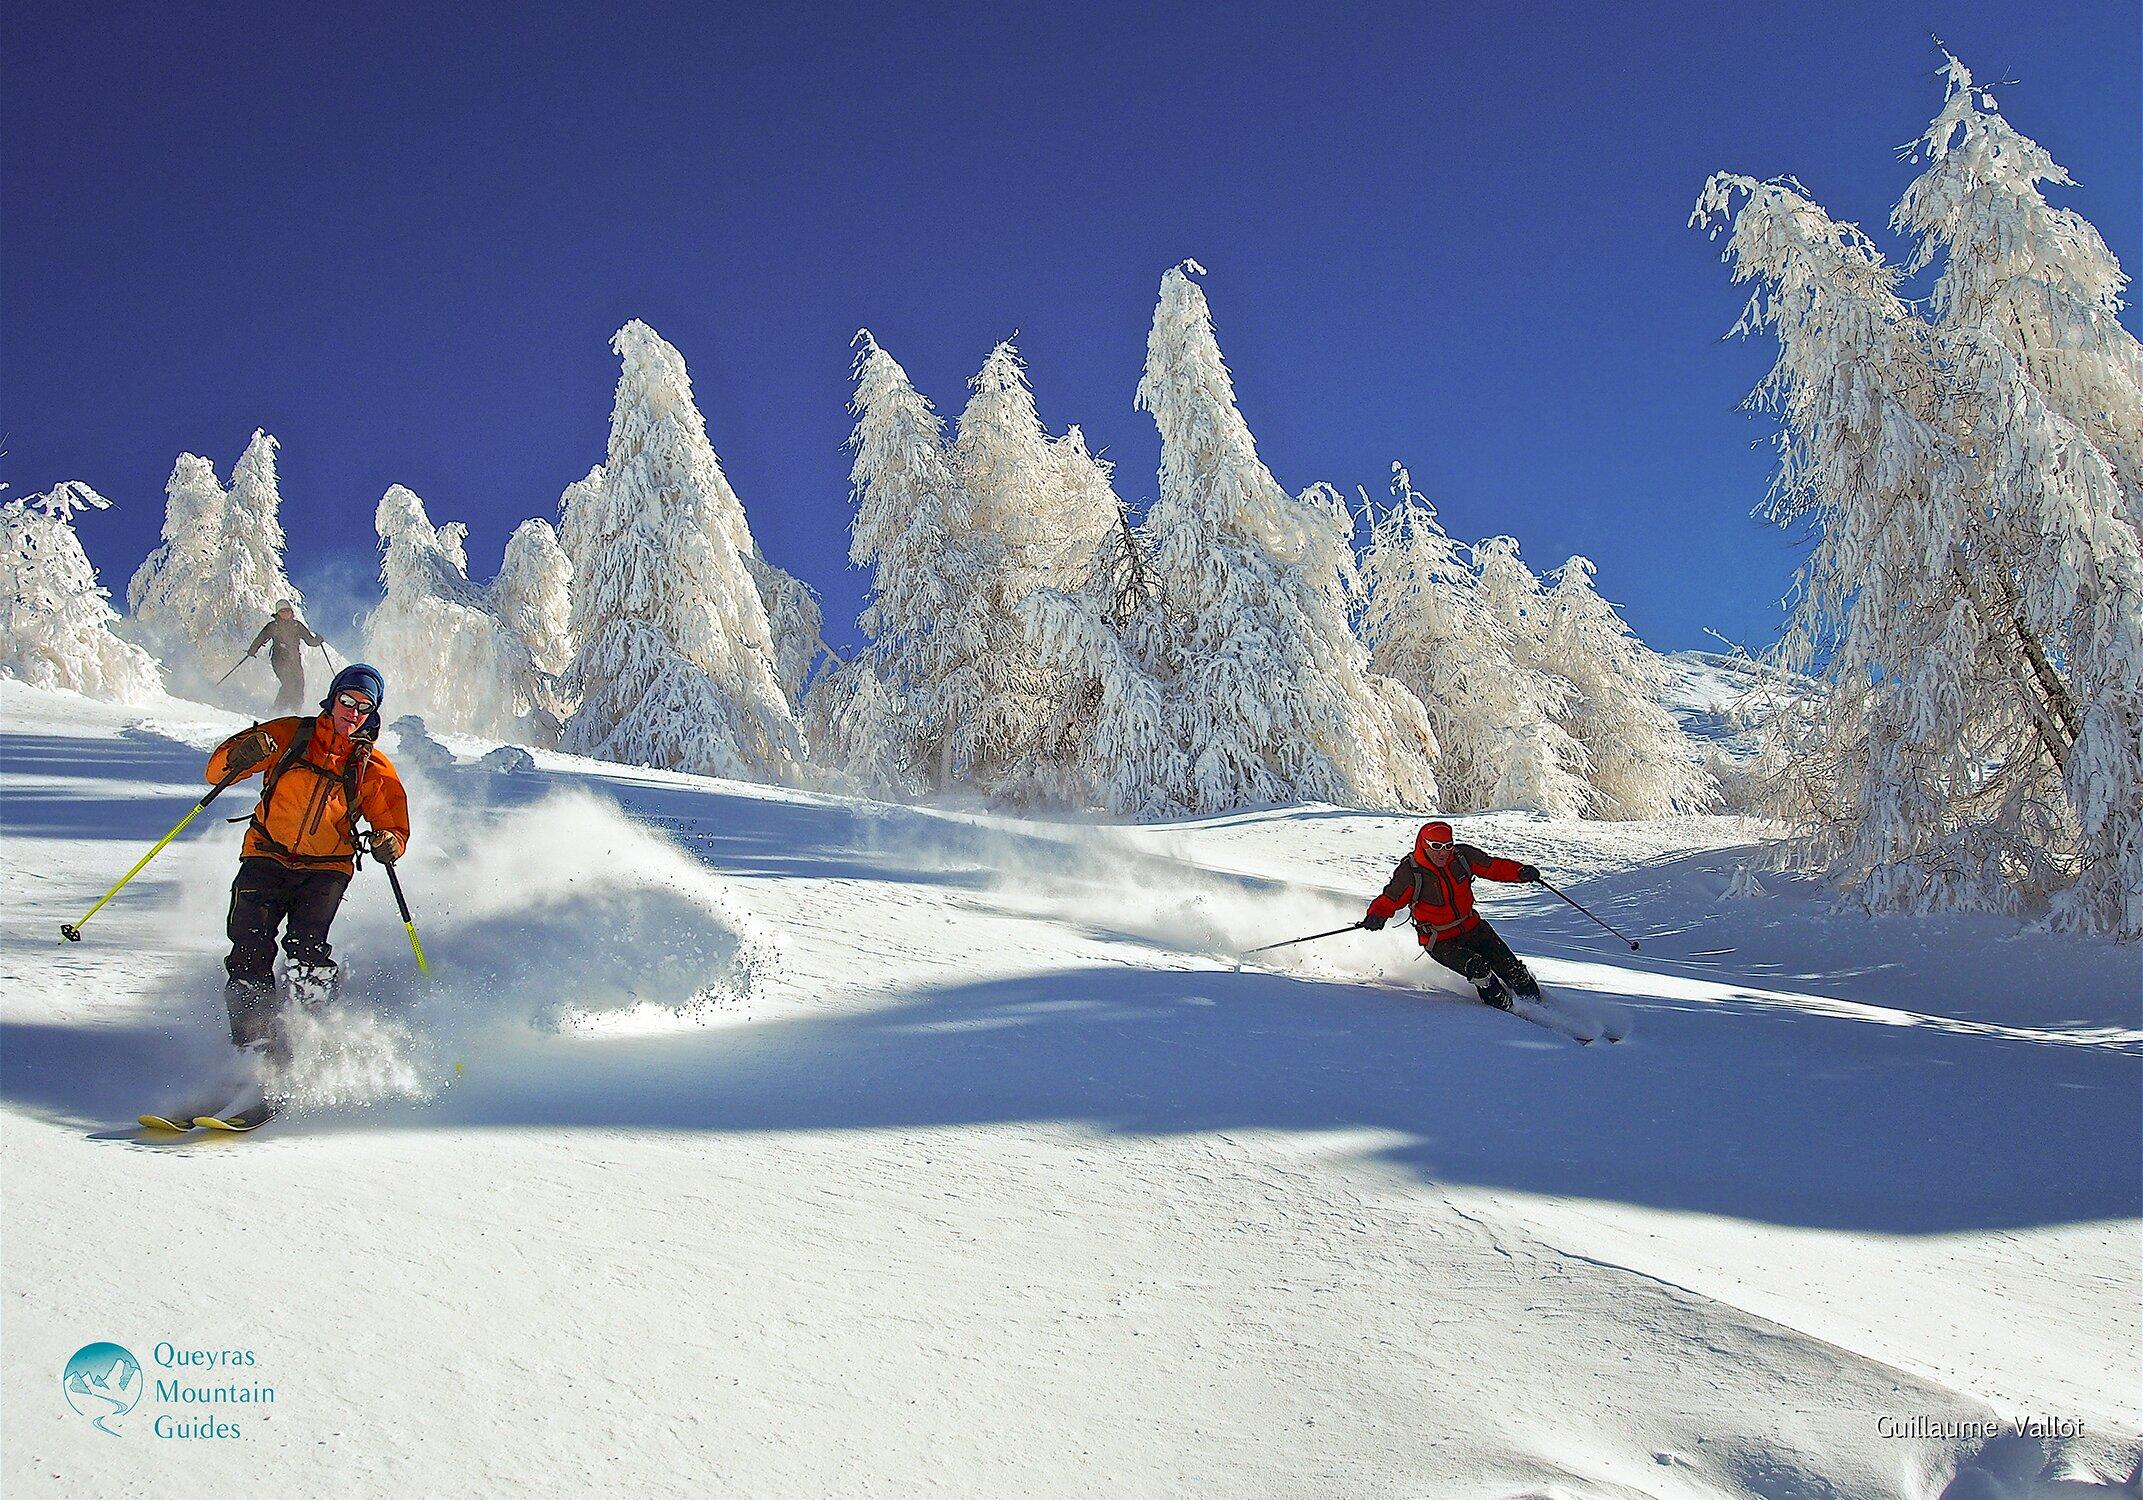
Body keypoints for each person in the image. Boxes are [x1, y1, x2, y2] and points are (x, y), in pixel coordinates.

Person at [203, 663, 410, 1067]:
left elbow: (394, 826)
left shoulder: (373, 767)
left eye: (364, 707)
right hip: (266, 853)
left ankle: (308, 1040)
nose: (353, 712)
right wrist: (241, 755)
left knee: (306, 951)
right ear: (331, 700)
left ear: (373, 714)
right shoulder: (289, 735)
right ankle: (254, 1052)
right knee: (249, 948)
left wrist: (389, 843)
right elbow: (216, 771)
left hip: (326, 867)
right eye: (346, 701)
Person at [1361, 820, 1543, 1009]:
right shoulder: (1410, 873)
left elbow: (1492, 866)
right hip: (1440, 940)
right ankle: (1508, 1010)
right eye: (1436, 846)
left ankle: (1541, 1007)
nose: (1443, 852)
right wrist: (1377, 914)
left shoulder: (1461, 857)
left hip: (1473, 927)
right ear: (1424, 844)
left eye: (1448, 846)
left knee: (1514, 971)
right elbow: (1390, 899)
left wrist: (1519, 872)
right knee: (1479, 969)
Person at [244, 601, 325, 713]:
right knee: (289, 684)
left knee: (299, 684)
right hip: (279, 659)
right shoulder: (273, 626)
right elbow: (260, 638)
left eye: (288, 610)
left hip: (295, 660)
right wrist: (252, 650)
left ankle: (296, 711)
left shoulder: (297, 626)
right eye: (283, 611)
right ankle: (277, 710)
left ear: (291, 612)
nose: (286, 613)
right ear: (278, 613)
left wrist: (318, 640)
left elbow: (310, 641)